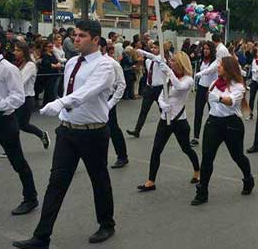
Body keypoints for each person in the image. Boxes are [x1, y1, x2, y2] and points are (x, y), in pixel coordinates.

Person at [13, 20, 116, 249]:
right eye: (76, 35)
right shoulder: (71, 63)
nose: (76, 39)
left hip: (93, 132)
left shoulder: (105, 65)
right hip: (68, 132)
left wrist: (60, 102)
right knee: (56, 182)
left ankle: (106, 223)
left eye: (82, 36)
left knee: (99, 180)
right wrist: (63, 108)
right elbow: (70, 92)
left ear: (96, 40)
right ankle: (41, 237)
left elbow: (87, 92)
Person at [191, 57, 254, 206]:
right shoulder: (214, 83)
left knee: (237, 156)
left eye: (221, 65)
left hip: (232, 124)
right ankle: (202, 191)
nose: (218, 67)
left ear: (229, 68)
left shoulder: (238, 86)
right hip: (213, 122)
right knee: (207, 157)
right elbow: (210, 99)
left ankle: (248, 178)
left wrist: (218, 97)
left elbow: (231, 101)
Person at [138, 52, 200, 192]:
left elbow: (179, 87)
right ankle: (151, 181)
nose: (170, 63)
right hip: (165, 119)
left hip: (179, 121)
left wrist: (168, 72)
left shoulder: (188, 80)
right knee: (156, 150)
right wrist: (162, 104)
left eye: (173, 61)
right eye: (170, 61)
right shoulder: (169, 79)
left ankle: (197, 170)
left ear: (180, 63)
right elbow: (161, 95)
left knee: (186, 148)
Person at [0, 29, 39, 216]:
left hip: (4, 121)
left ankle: (31, 198)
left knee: (17, 162)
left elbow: (18, 97)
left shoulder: (8, 69)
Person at [14, 41, 50, 149]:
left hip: (26, 98)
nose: (15, 52)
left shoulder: (30, 65)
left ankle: (41, 134)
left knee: (21, 125)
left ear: (24, 52)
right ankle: (12, 148)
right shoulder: (18, 63)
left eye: (18, 50)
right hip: (17, 98)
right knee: (15, 125)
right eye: (14, 50)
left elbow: (20, 82)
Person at [99, 37, 129, 169]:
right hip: (93, 100)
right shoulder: (87, 62)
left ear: (104, 48)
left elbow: (121, 84)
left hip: (107, 99)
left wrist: (111, 103)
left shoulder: (112, 64)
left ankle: (122, 156)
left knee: (112, 128)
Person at [126, 42, 164, 138]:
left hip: (159, 88)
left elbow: (155, 58)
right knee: (143, 110)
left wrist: (142, 52)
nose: (153, 49)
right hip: (149, 88)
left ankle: (171, 126)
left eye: (156, 48)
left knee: (163, 110)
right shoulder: (148, 61)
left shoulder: (161, 59)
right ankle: (137, 130)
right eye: (152, 47)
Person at [191, 41, 217, 146]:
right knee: (198, 112)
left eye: (207, 49)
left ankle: (215, 134)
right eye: (204, 49)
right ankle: (196, 137)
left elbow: (210, 71)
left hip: (211, 89)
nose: (205, 50)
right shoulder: (201, 59)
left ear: (211, 50)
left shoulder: (215, 61)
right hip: (201, 88)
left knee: (213, 112)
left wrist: (200, 73)